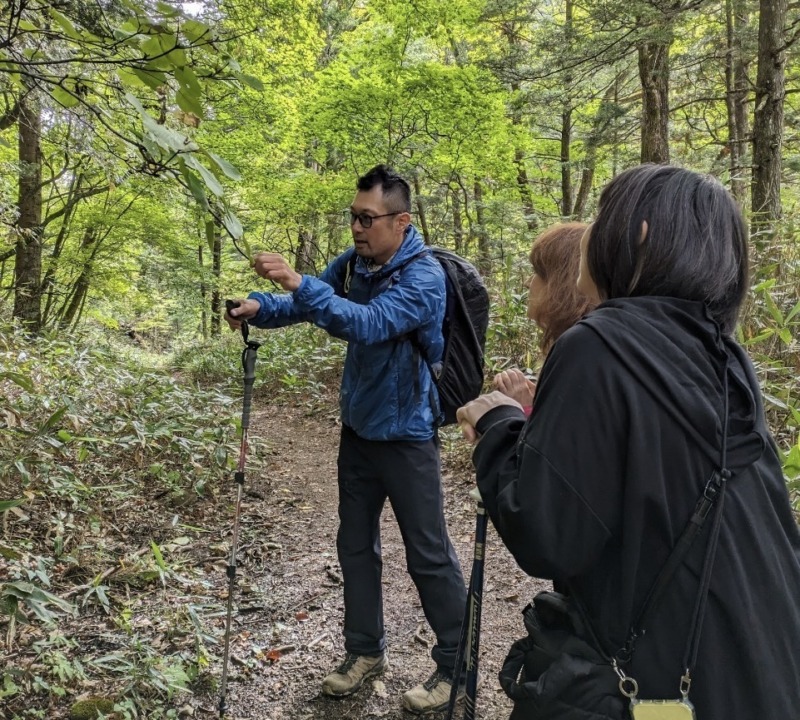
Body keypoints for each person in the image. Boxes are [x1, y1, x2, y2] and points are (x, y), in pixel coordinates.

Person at [457, 164, 800, 719]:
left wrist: (498, 427)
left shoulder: (599, 344)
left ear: (636, 234)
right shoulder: (723, 354)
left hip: (656, 669)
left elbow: (548, 535)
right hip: (755, 651)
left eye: (600, 216)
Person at [227, 165, 467, 714]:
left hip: (407, 437)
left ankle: (458, 664)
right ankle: (365, 652)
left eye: (367, 218)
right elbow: (309, 303)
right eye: (353, 217)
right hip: (358, 431)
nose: (357, 228)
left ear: (402, 221)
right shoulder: (358, 263)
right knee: (354, 547)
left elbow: (368, 323)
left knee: (428, 554)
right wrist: (260, 307)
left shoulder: (423, 277)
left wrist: (296, 282)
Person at [492, 223, 595, 411]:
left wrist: (519, 408)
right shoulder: (581, 343)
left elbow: (561, 438)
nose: (527, 283)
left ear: (563, 283)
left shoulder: (581, 351)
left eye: (538, 273)